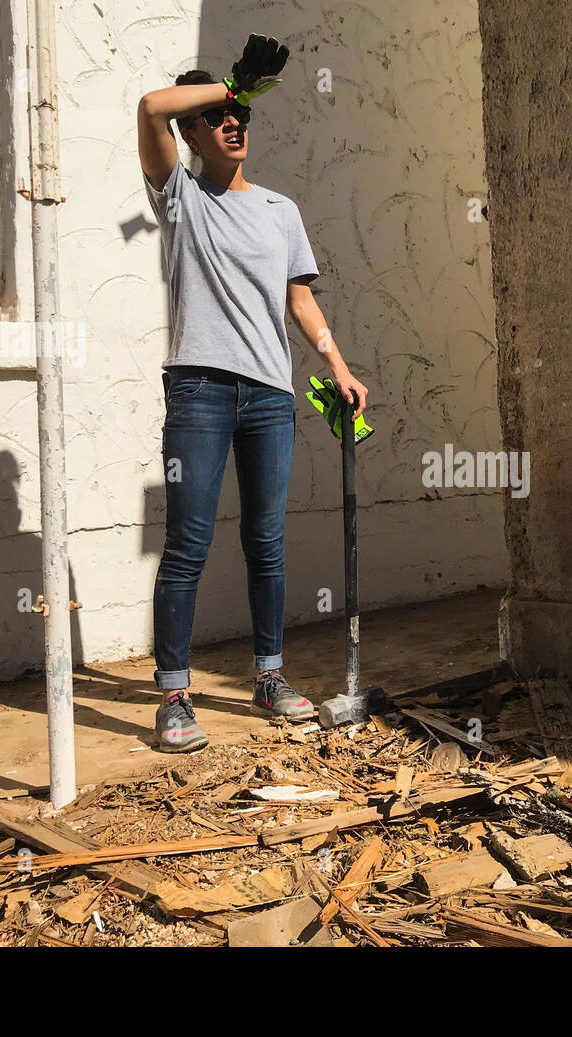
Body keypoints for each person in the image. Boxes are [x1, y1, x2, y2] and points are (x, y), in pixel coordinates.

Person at [136, 35, 369, 751]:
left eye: (244, 115)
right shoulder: (180, 195)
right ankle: (174, 696)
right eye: (219, 115)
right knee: (188, 545)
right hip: (200, 390)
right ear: (193, 133)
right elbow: (149, 107)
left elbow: (297, 296)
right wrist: (227, 85)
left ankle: (269, 676)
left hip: (269, 393)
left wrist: (337, 363)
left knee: (266, 542)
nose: (235, 123)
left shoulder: (279, 209)